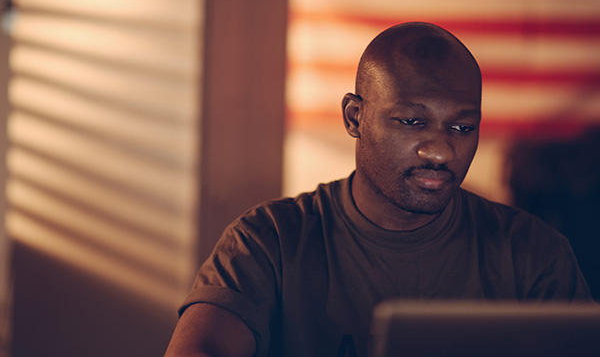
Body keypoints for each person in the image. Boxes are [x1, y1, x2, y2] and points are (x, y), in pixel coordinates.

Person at [164, 22, 592, 357]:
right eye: (411, 121)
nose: (441, 150)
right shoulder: (268, 240)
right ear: (355, 117)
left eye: (462, 127)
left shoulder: (535, 254)